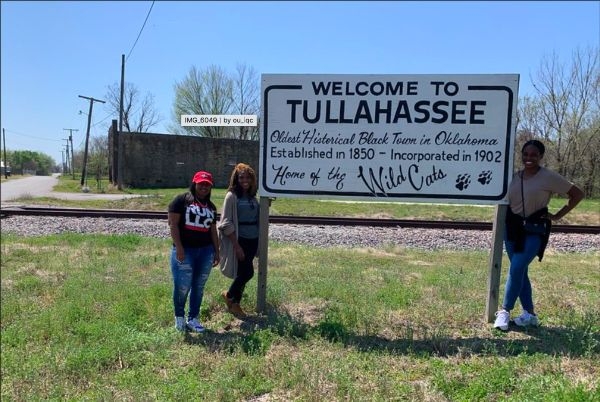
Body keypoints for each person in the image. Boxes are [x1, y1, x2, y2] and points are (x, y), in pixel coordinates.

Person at [494, 140, 584, 331]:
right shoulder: (513, 177)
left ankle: (504, 311)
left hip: (535, 230)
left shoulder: (548, 177)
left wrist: (558, 215)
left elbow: (577, 194)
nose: (529, 158)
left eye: (534, 155)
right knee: (520, 271)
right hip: (512, 229)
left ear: (541, 157)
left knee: (517, 267)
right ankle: (529, 314)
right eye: (526, 154)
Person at [168, 170, 220, 332]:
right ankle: (179, 318)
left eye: (207, 184)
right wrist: (180, 247)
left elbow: (213, 230)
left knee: (198, 286)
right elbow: (173, 224)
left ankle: (193, 318)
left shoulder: (211, 207)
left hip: (205, 251)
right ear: (194, 183)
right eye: (201, 183)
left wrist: (217, 251)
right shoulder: (181, 200)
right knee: (182, 286)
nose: (204, 187)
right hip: (185, 251)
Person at [218, 163, 260, 318]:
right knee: (247, 272)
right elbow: (226, 223)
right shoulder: (232, 196)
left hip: (253, 239)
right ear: (236, 178)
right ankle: (229, 296)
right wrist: (236, 246)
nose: (245, 180)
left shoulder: (252, 197)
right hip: (240, 239)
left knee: (243, 272)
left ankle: (235, 304)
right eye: (241, 177)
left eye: (248, 177)